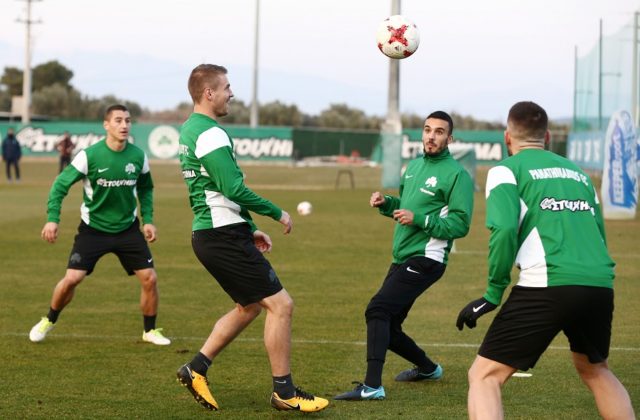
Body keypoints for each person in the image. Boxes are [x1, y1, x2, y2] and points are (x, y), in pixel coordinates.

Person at [456, 101, 635, 420]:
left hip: (547, 283)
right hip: (598, 283)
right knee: (596, 370)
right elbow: (598, 233)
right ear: (548, 137)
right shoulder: (579, 175)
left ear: (507, 137)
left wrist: (493, 293)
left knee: (484, 376)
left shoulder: (506, 170)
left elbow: (504, 230)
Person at [175, 64, 328, 413]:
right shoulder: (210, 133)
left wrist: (247, 225)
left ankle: (195, 369)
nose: (232, 93)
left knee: (250, 307)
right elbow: (232, 188)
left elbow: (213, 189)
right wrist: (276, 212)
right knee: (281, 305)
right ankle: (284, 392)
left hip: (216, 232)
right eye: (227, 87)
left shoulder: (190, 130)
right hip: (221, 235)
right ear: (209, 93)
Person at [334, 111, 475, 401]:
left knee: (377, 310)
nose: (431, 136)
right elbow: (407, 208)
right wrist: (387, 203)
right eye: (427, 130)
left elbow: (460, 225)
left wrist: (420, 219)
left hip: (428, 258)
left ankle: (372, 386)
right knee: (389, 326)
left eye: (439, 132)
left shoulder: (457, 175)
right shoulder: (413, 166)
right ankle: (428, 369)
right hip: (402, 256)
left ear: (450, 138)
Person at [29, 104, 170, 346]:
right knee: (72, 279)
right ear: (106, 125)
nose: (124, 125)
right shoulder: (89, 156)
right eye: (118, 120)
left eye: (127, 120)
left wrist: (148, 221)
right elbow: (60, 185)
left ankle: (150, 331)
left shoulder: (138, 156)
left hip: (127, 229)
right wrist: (52, 219)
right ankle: (49, 319)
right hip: (93, 229)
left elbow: (146, 188)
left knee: (150, 278)